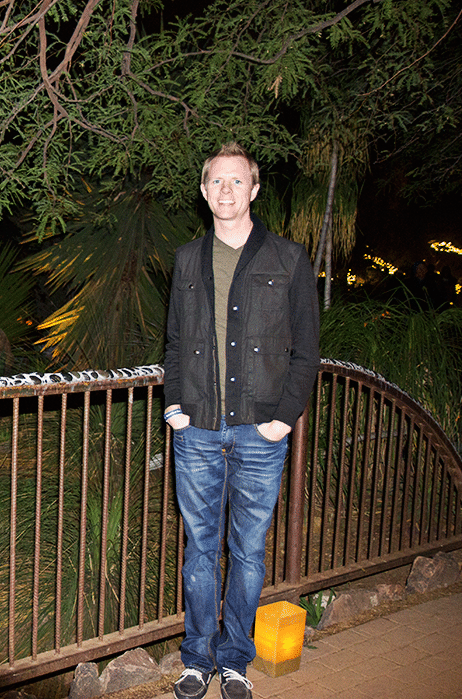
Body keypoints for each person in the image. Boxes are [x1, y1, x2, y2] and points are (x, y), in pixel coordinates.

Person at [163, 143, 320, 699]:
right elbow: (177, 342)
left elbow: (307, 350)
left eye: (236, 181)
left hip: (260, 432)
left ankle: (234, 660)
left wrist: (283, 419)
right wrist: (175, 407)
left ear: (254, 190)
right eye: (216, 182)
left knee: (249, 553)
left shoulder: (289, 258)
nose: (225, 191)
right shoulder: (186, 259)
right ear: (204, 192)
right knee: (200, 549)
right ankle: (195, 659)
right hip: (198, 429)